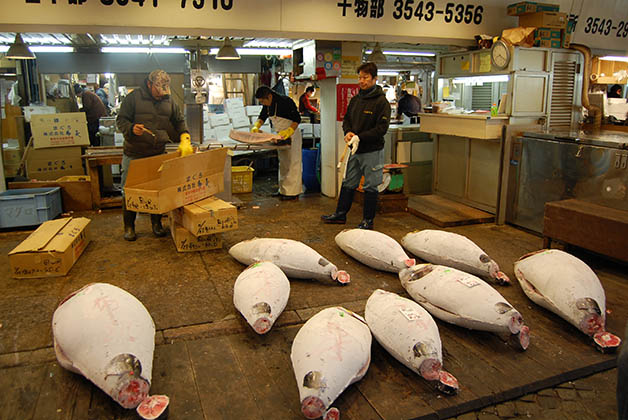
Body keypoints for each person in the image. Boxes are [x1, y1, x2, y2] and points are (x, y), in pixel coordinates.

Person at [116, 69, 191, 241]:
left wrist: (185, 136)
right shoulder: (133, 98)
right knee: (129, 191)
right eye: (158, 92)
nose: (160, 96)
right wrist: (131, 129)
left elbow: (178, 120)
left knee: (158, 191)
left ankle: (156, 224)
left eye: (163, 92)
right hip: (134, 153)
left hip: (157, 152)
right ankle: (129, 227)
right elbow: (121, 120)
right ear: (149, 84)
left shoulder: (168, 100)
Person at [321, 62, 391, 230]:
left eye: (365, 78)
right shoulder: (356, 99)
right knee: (349, 181)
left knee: (370, 186)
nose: (361, 81)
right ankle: (340, 215)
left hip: (372, 150)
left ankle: (368, 220)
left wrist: (361, 137)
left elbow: (382, 129)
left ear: (374, 79)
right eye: (359, 77)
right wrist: (348, 132)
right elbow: (347, 120)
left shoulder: (382, 102)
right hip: (355, 149)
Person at [251, 85, 302, 200]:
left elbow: (297, 119)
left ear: (269, 96)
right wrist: (256, 126)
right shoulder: (268, 105)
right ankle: (283, 190)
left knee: (292, 163)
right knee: (283, 162)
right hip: (280, 136)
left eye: (263, 101)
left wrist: (289, 131)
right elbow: (262, 116)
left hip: (291, 135)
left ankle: (292, 193)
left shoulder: (285, 101)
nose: (263, 103)